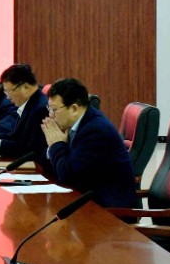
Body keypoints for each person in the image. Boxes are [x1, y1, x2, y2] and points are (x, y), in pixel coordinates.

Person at [41, 78, 136, 208]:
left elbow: (68, 176)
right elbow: (53, 168)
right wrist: (53, 146)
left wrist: (56, 144)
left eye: (54, 110)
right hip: (88, 200)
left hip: (108, 211)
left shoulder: (95, 131)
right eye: (49, 109)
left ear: (74, 109)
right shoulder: (76, 125)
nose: (51, 115)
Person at [0, 64, 49, 167]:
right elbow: (15, 136)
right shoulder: (30, 103)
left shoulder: (41, 109)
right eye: (5, 92)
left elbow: (32, 151)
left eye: (9, 92)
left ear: (26, 87)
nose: (8, 97)